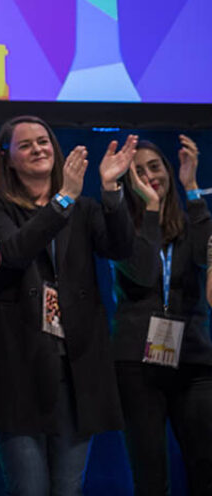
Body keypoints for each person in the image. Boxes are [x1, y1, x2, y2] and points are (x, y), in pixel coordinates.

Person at [0, 115, 137, 495]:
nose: (38, 149)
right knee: (29, 488)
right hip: (19, 369)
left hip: (76, 369)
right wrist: (63, 198)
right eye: (26, 144)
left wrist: (111, 188)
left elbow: (120, 248)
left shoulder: (84, 209)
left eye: (44, 141)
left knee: (67, 488)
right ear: (8, 158)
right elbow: (13, 253)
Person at [112, 135, 212, 494]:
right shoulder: (122, 227)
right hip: (137, 362)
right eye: (138, 172)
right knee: (150, 471)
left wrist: (192, 188)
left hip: (194, 359)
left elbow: (205, 257)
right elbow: (141, 271)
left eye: (155, 167)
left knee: (205, 465)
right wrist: (151, 208)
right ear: (128, 182)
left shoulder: (192, 221)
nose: (150, 175)